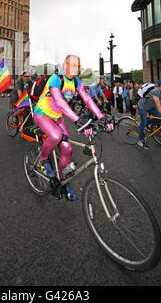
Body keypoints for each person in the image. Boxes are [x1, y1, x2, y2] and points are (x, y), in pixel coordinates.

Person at [33, 55, 111, 202]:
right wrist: (77, 120)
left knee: (67, 147)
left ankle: (62, 180)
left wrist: (101, 116)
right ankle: (42, 160)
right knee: (56, 136)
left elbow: (87, 99)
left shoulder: (76, 82)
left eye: (78, 65)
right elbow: (59, 101)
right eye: (72, 64)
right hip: (42, 114)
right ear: (65, 65)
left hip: (57, 117)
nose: (76, 68)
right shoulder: (56, 79)